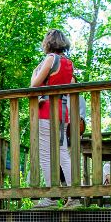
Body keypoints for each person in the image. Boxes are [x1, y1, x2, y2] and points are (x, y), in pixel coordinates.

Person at [30, 29, 79, 208]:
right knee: (62, 152)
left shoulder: (50, 59)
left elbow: (34, 86)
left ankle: (51, 197)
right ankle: (75, 196)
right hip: (62, 111)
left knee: (46, 154)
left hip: (47, 111)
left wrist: (35, 72)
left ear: (48, 43)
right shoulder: (68, 62)